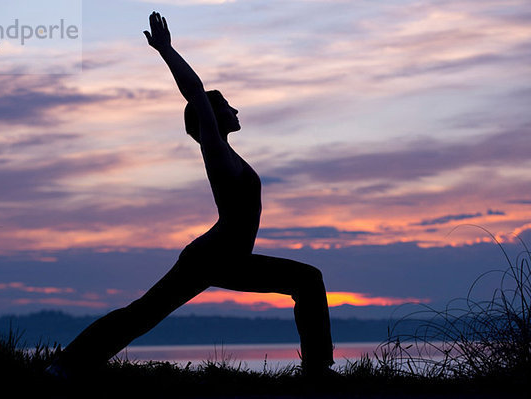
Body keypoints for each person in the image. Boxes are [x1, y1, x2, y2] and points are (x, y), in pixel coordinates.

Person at [46, 11, 333, 378]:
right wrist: (167, 50)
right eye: (227, 105)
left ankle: (67, 365)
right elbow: (196, 93)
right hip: (214, 256)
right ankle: (65, 366)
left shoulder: (229, 155)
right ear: (212, 120)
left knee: (143, 313)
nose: (235, 109)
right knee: (144, 314)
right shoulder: (216, 153)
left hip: (224, 256)